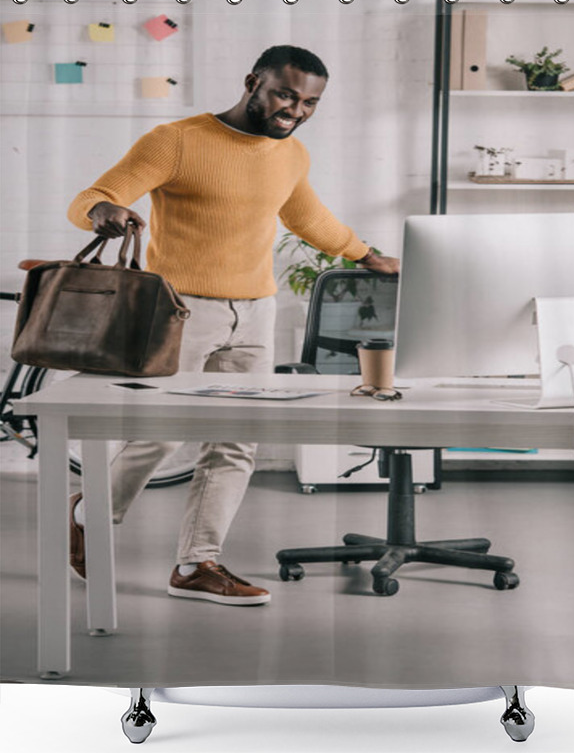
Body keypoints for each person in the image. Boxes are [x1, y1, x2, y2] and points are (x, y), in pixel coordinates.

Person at [66, 45, 399, 606]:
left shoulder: (290, 154)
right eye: (286, 94)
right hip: (180, 309)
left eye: (310, 102)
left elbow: (306, 217)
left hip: (256, 313)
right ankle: (90, 510)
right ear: (253, 82)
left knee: (237, 441)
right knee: (162, 431)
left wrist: (368, 256)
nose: (296, 110)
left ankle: (197, 564)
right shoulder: (176, 141)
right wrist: (103, 211)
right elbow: (95, 196)